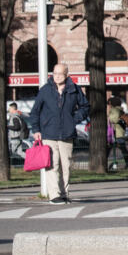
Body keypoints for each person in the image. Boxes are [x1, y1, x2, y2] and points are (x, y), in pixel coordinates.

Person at [29, 63, 89, 204]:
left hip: (67, 133)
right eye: (55, 73)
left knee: (66, 166)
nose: (57, 76)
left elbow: (85, 106)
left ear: (67, 75)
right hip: (48, 133)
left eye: (60, 74)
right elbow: (35, 111)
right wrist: (36, 130)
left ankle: (64, 193)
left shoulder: (74, 89)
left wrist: (74, 119)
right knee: (52, 165)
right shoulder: (45, 90)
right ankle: (54, 195)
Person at [106, 94, 128, 168]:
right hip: (119, 132)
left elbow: (113, 119)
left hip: (116, 133)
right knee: (123, 149)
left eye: (109, 104)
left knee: (110, 148)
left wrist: (108, 115)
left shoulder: (115, 110)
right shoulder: (120, 110)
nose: (108, 105)